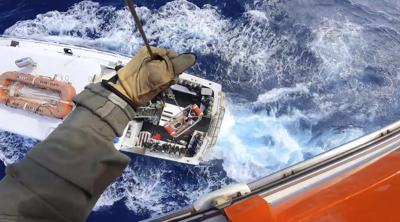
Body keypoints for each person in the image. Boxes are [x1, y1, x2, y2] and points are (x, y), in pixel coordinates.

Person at [0, 47, 196, 222]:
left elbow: (33, 203)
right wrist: (121, 96)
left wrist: (121, 99)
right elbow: (33, 200)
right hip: (98, 116)